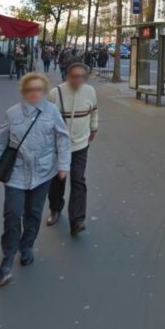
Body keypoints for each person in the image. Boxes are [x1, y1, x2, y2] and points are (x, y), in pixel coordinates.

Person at [0, 71, 71, 287]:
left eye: (39, 89)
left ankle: (27, 245)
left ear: (45, 91)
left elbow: (63, 139)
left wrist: (63, 165)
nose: (35, 93)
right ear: (24, 91)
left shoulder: (52, 112)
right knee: (12, 215)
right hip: (17, 173)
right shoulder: (12, 114)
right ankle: (8, 258)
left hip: (43, 172)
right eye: (30, 89)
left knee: (34, 213)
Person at [46, 59, 98, 236]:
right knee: (57, 181)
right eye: (75, 76)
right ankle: (55, 208)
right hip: (59, 147)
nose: (78, 80)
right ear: (68, 76)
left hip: (81, 144)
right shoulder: (56, 93)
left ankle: (77, 220)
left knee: (78, 180)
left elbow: (94, 110)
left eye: (82, 77)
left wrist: (94, 127)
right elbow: (48, 120)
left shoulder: (90, 91)